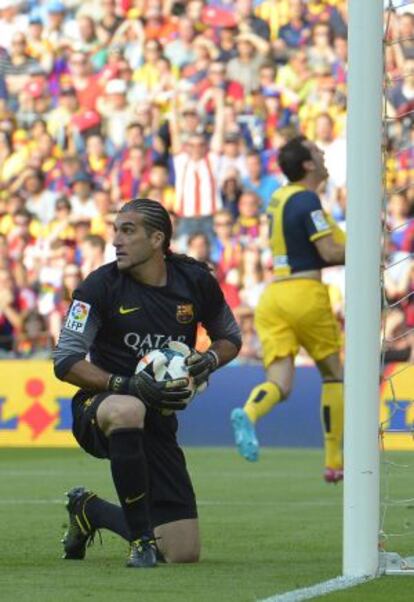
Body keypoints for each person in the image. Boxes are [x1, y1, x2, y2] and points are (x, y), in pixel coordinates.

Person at [53, 198, 241, 568]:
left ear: (157, 239)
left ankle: (89, 509)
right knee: (128, 407)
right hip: (102, 405)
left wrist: (208, 360)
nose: (116, 241)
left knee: (183, 552)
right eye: (115, 231)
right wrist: (127, 384)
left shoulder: (195, 281)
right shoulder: (99, 286)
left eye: (128, 231)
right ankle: (140, 542)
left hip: (158, 419)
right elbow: (66, 360)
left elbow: (230, 337)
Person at [230, 136, 346, 483]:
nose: (323, 154)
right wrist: (372, 248)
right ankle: (333, 461)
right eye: (317, 152)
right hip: (304, 292)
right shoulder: (306, 199)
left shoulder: (279, 197)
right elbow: (327, 251)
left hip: (273, 295)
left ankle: (249, 412)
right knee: (333, 374)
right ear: (308, 165)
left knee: (280, 381)